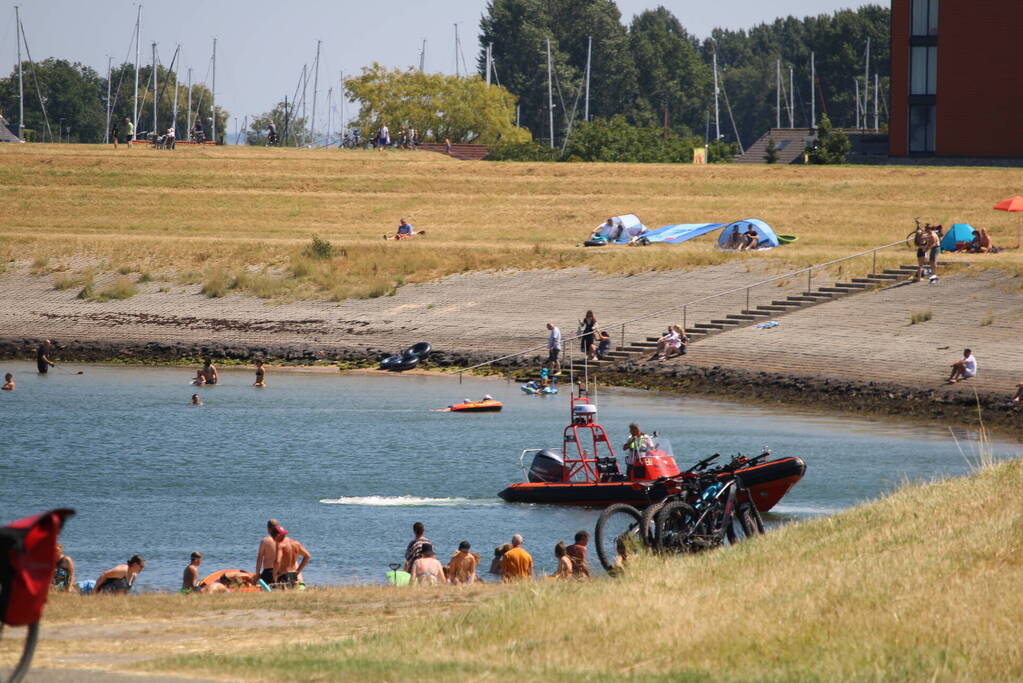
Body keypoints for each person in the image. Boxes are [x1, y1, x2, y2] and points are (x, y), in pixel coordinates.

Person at [255, 519, 280, 586]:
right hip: (281, 571)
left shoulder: (265, 541)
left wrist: (257, 574)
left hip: (269, 572)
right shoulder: (284, 540)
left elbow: (260, 558)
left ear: (268, 528)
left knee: (255, 584)